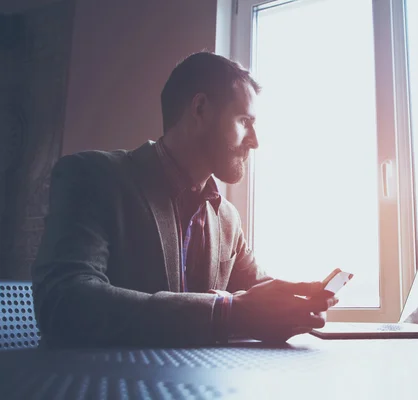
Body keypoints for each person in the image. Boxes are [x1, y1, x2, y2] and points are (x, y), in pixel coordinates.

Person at [31, 52, 337, 348]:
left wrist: (296, 306)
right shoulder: (92, 176)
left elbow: (256, 291)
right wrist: (226, 312)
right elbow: (62, 301)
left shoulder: (227, 218)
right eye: (245, 120)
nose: (255, 141)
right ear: (200, 109)